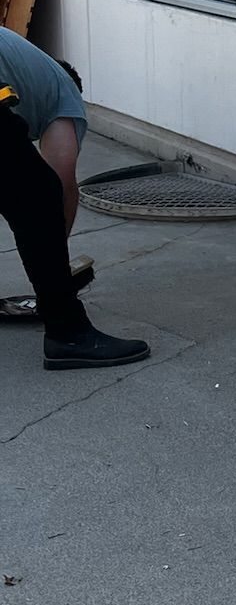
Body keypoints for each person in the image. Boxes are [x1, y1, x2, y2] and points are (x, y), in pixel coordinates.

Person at [0, 27, 150, 370]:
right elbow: (61, 180)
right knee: (39, 193)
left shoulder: (23, 67)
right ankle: (68, 333)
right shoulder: (64, 94)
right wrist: (54, 266)